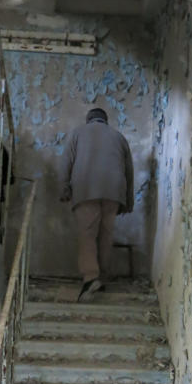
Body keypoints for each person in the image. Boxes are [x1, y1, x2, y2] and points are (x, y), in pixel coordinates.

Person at [59, 107, 134, 301]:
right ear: (105, 120)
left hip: (86, 189)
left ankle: (91, 277)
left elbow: (66, 162)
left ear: (89, 120)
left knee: (88, 234)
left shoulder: (78, 133)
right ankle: (102, 277)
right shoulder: (119, 136)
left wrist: (64, 189)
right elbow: (129, 171)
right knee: (105, 235)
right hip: (114, 192)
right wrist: (128, 201)